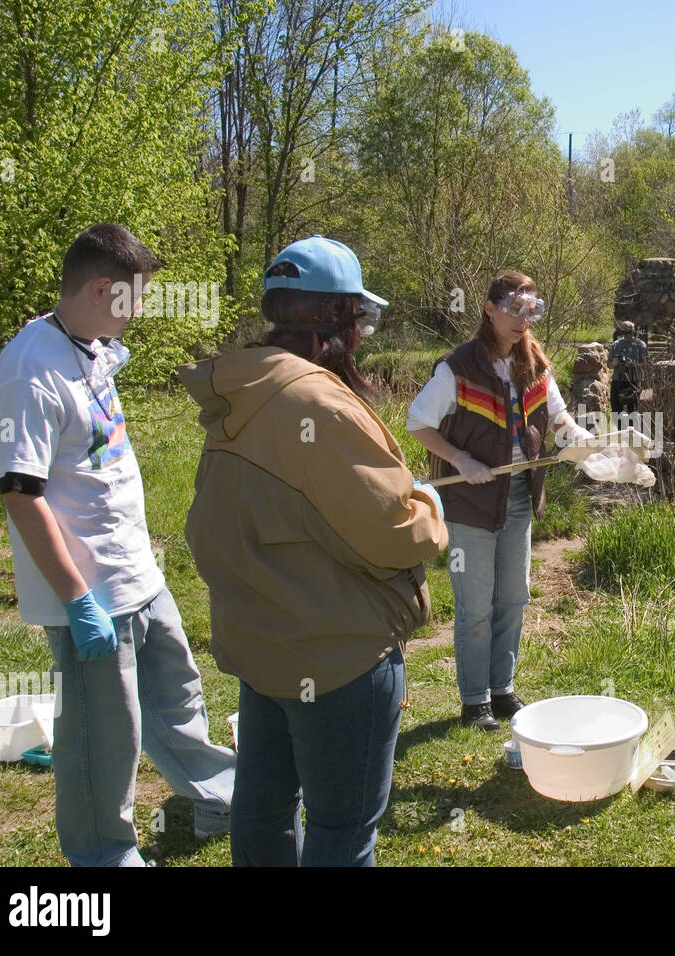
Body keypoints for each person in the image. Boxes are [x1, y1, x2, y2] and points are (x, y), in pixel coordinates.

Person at [178, 235, 447, 866]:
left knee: (263, 811)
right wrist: (429, 506)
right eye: (361, 320)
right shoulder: (317, 404)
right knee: (342, 829)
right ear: (339, 321)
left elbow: (243, 524)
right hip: (337, 662)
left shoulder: (243, 389)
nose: (363, 335)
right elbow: (389, 537)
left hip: (265, 648)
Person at [0, 223, 236, 867]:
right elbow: (21, 493)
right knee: (103, 736)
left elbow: (94, 416)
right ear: (102, 289)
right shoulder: (27, 371)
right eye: (133, 300)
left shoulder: (90, 344)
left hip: (137, 571)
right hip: (89, 588)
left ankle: (218, 794)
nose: (139, 315)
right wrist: (76, 601)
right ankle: (102, 856)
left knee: (176, 695)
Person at [408, 271, 592, 731]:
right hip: (470, 502)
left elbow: (557, 415)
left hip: (517, 496)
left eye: (531, 310)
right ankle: (475, 702)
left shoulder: (535, 364)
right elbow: (418, 422)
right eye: (513, 308)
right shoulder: (458, 366)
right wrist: (460, 459)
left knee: (513, 597)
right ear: (489, 309)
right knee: (475, 606)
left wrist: (575, 435)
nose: (522, 319)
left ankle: (502, 689)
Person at [608, 320, 650, 416]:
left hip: (634, 380)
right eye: (625, 333)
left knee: (634, 411)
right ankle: (619, 429)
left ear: (633, 332)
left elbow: (647, 364)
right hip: (618, 380)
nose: (628, 335)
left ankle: (633, 429)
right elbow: (609, 364)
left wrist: (634, 365)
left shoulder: (640, 345)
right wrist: (615, 363)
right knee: (616, 410)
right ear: (622, 333)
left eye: (630, 333)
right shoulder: (616, 345)